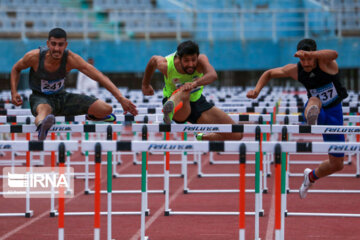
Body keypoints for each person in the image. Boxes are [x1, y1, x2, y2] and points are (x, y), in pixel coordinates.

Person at [246, 38, 348, 199]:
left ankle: (311, 177)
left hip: (335, 114)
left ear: (315, 55)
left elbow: (334, 53)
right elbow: (269, 73)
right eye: (302, 59)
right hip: (315, 109)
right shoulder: (296, 70)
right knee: (315, 100)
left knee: (337, 164)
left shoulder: (327, 65)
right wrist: (257, 90)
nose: (306, 63)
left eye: (309, 59)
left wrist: (310, 54)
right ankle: (310, 116)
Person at [11, 28, 138, 141]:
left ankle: (92, 115)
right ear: (48, 44)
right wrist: (14, 92)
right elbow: (16, 68)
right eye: (53, 44)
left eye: (60, 45)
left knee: (106, 109)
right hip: (40, 98)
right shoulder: (34, 57)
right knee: (45, 110)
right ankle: (42, 127)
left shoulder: (71, 59)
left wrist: (120, 98)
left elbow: (99, 76)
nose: (56, 48)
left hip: (62, 97)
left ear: (65, 45)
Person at [141, 40, 243, 141]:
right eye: (186, 60)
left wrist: (194, 84)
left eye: (193, 60)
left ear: (197, 57)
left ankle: (202, 137)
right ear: (179, 58)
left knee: (237, 134)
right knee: (185, 90)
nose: (191, 64)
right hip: (178, 106)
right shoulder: (167, 65)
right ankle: (169, 111)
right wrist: (145, 84)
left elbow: (212, 75)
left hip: (197, 103)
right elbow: (153, 60)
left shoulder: (201, 60)